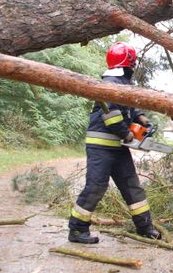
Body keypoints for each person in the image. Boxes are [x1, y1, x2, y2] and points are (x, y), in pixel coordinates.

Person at [68, 42, 162, 244]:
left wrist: (143, 120)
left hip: (119, 147)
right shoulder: (110, 82)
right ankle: (77, 230)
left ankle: (145, 228)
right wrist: (128, 135)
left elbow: (131, 108)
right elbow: (110, 115)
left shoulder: (124, 84)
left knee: (132, 187)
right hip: (101, 147)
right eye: (133, 63)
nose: (134, 67)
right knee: (96, 187)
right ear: (128, 63)